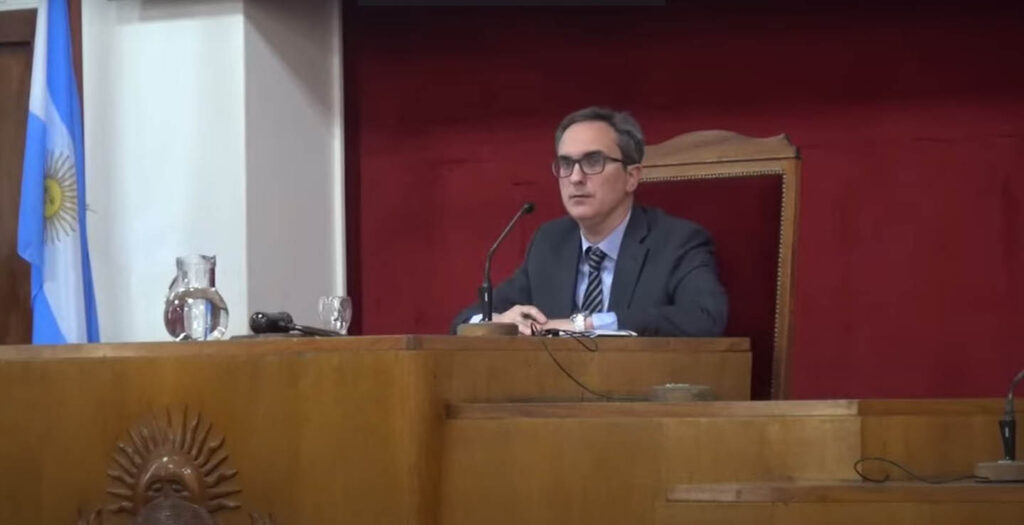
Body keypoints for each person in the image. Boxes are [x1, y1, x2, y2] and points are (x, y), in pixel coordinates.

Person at [451, 107, 728, 336]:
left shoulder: (677, 242)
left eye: (593, 162)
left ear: (632, 176)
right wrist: (498, 322)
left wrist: (585, 324)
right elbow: (465, 321)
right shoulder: (551, 242)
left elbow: (705, 317)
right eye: (566, 164)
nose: (575, 178)